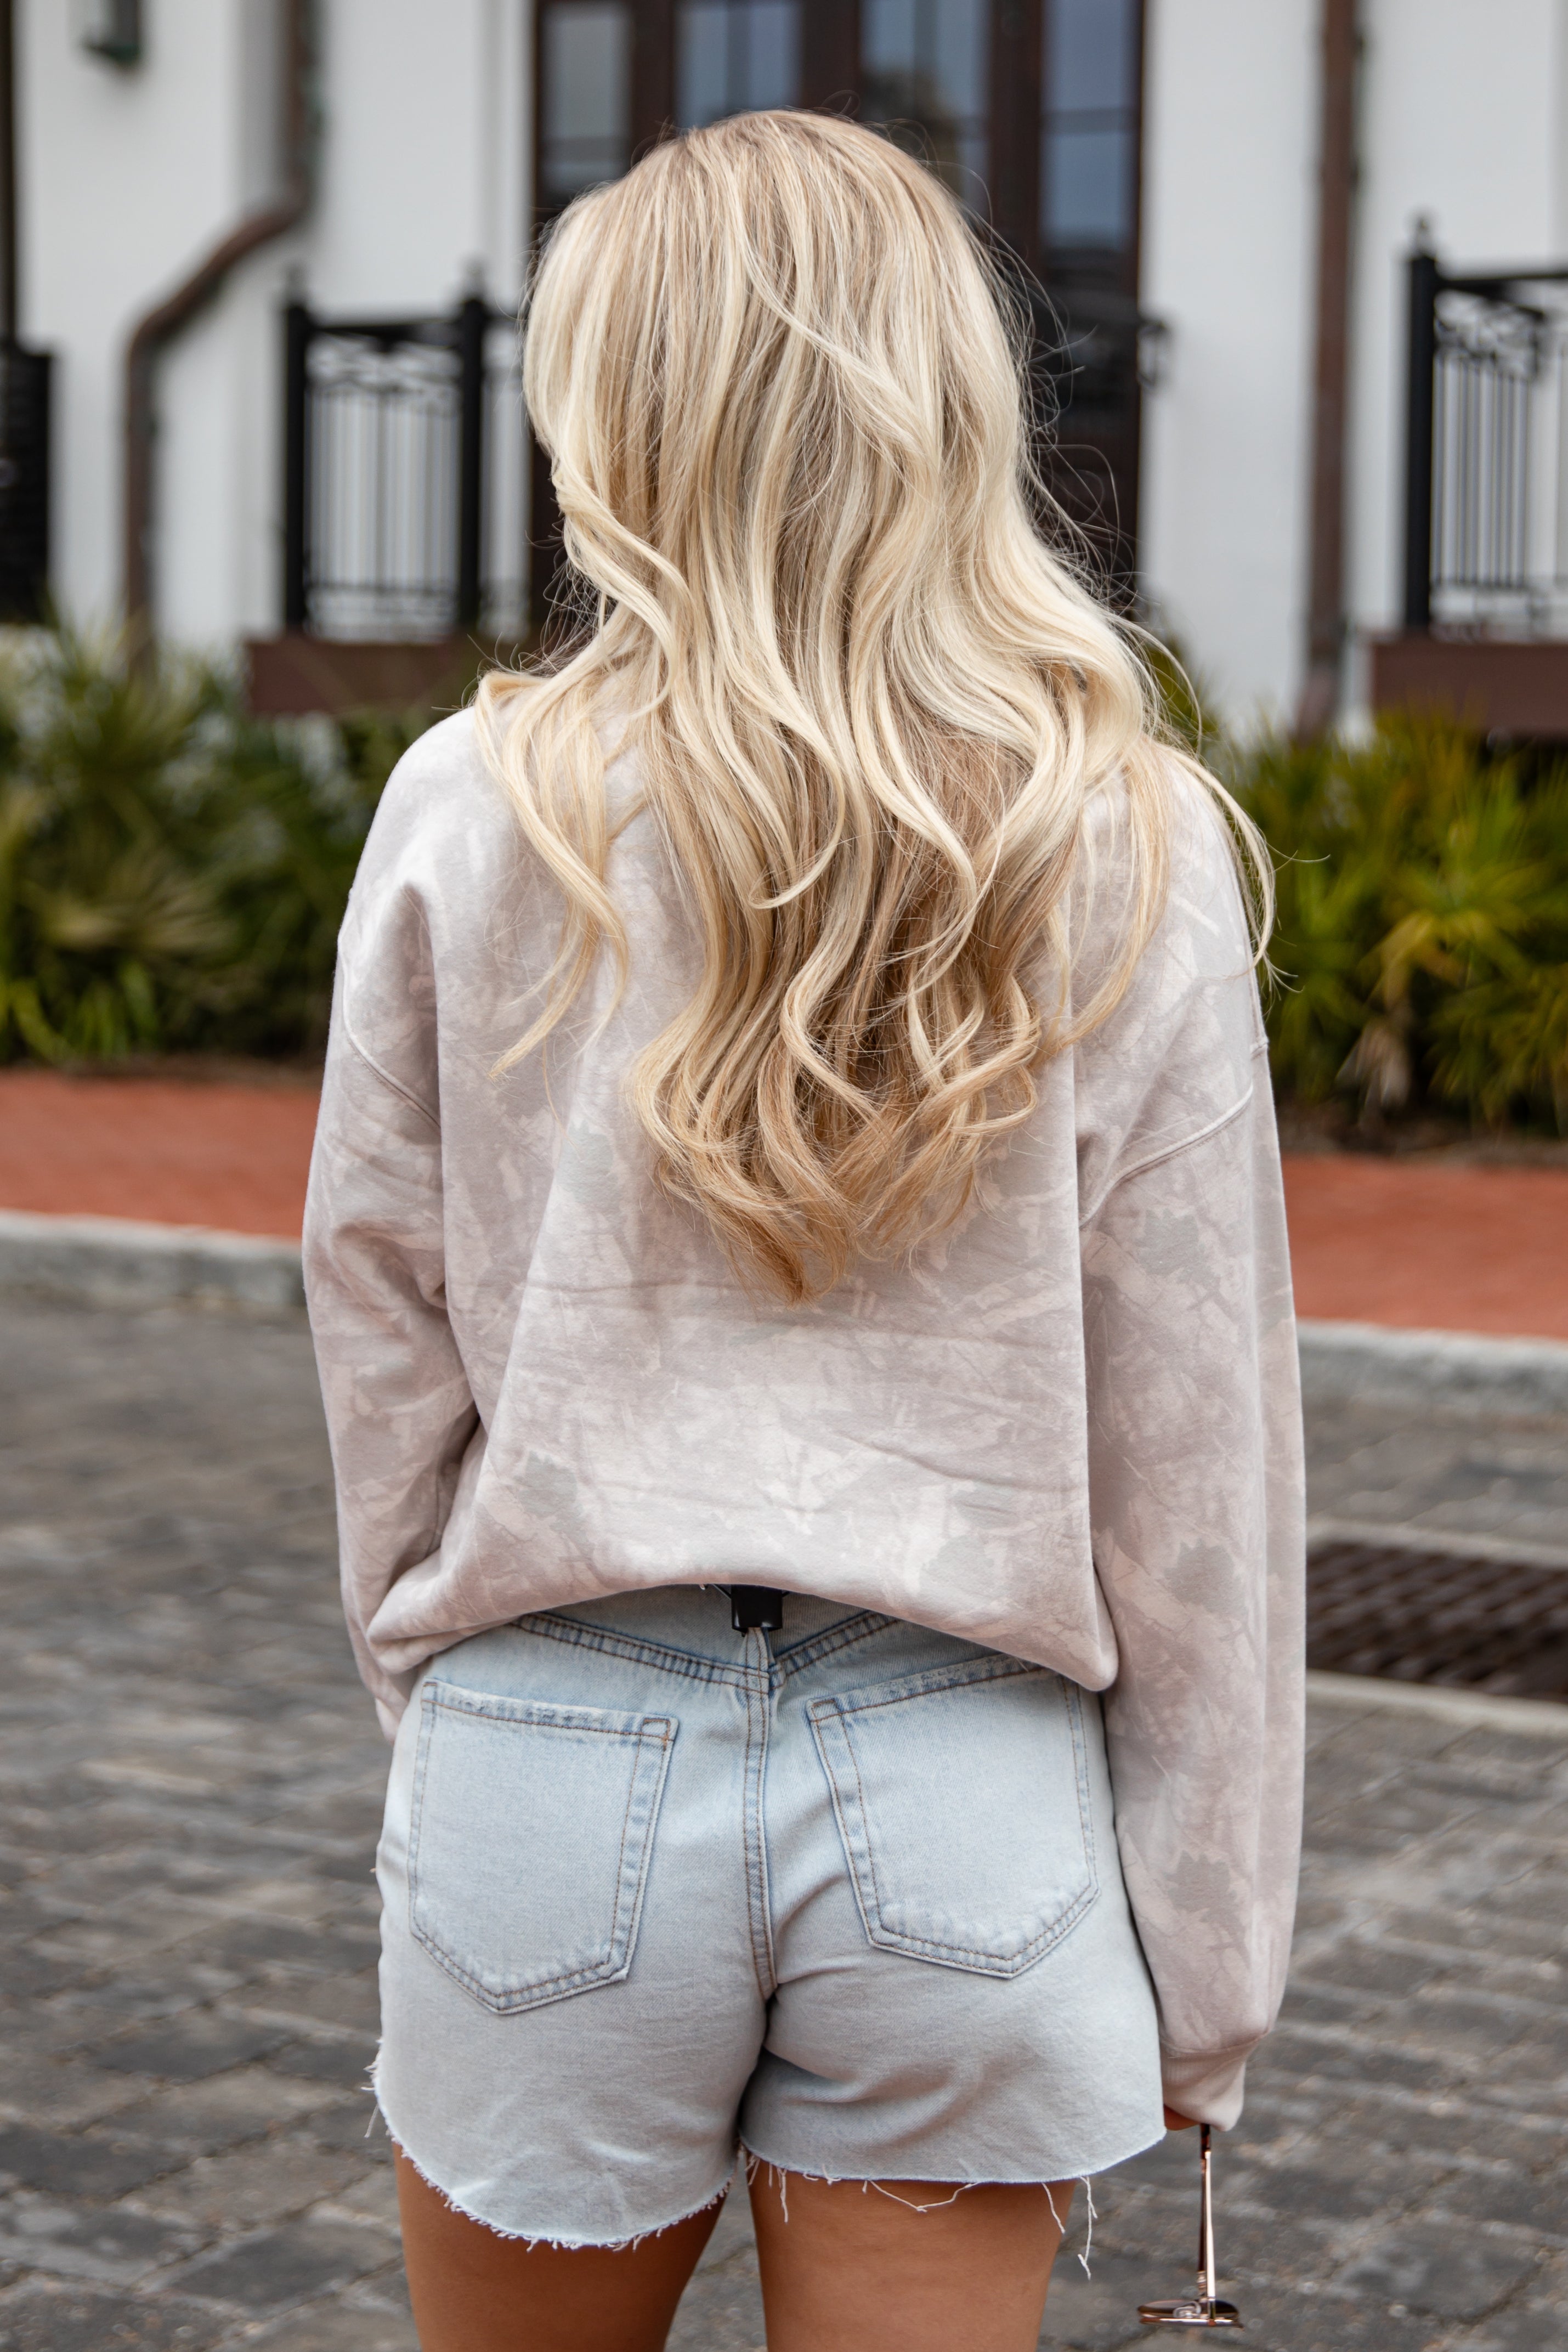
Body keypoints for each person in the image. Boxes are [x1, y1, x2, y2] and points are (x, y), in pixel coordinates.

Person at [303, 108, 1304, 2352]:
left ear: (613, 416)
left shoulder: (474, 805)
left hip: (552, 1727)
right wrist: (1207, 1968)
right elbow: (1198, 1452)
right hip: (967, 1773)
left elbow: (376, 1317)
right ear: (943, 399)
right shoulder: (1122, 836)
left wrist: (454, 1691)